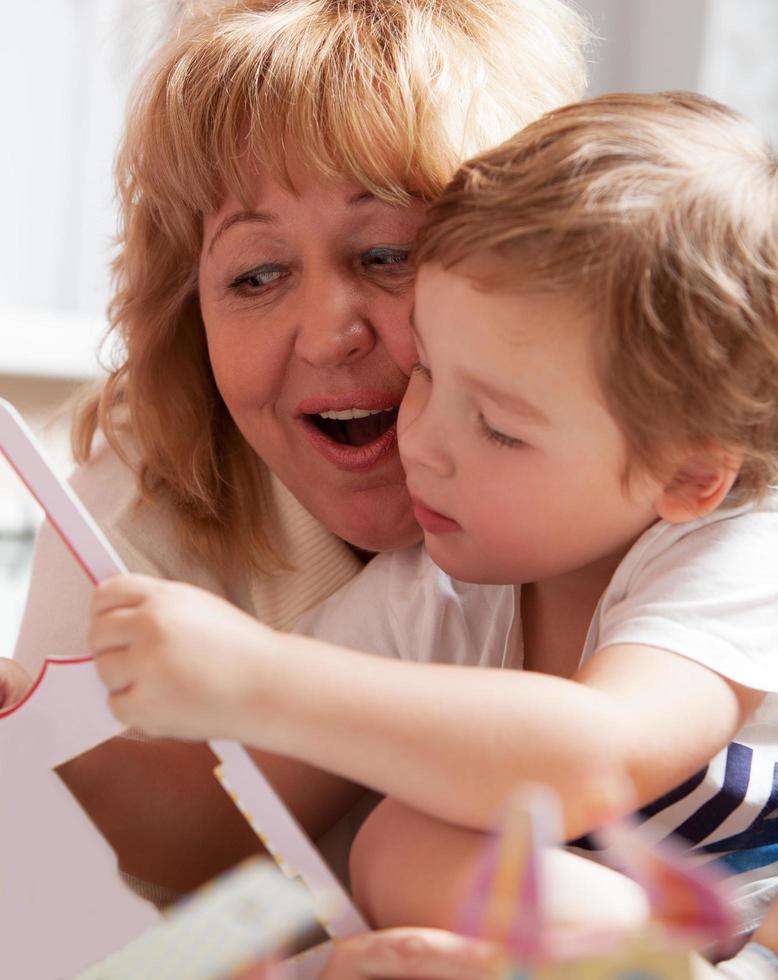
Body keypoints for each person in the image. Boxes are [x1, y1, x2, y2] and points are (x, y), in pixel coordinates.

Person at [87, 90, 778, 952]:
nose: (423, 441)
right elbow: (213, 824)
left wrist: (258, 676)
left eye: (497, 426)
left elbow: (586, 759)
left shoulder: (738, 555)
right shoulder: (437, 591)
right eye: (426, 374)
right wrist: (47, 737)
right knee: (399, 844)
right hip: (624, 946)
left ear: (690, 472)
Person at [0, 0, 588, 901]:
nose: (327, 334)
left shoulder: (659, 492)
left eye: (390, 253)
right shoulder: (140, 515)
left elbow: (610, 749)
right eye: (257, 274)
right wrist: (38, 759)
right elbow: (176, 849)